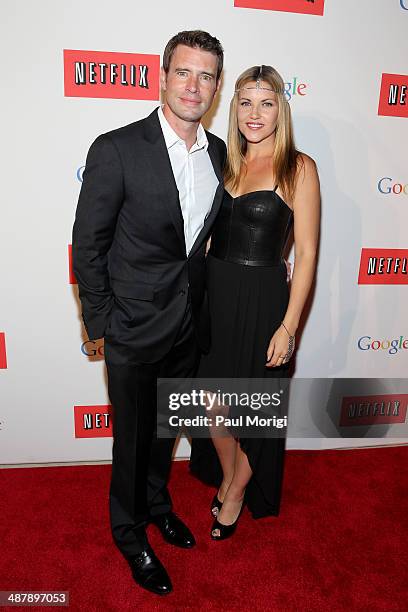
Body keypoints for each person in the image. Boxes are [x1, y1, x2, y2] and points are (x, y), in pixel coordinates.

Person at [72, 31, 226, 595]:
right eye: (184, 72)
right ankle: (129, 532)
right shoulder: (116, 148)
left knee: (166, 430)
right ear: (162, 77)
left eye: (206, 76)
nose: (194, 85)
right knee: (132, 438)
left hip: (188, 323)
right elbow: (87, 244)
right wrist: (103, 323)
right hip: (132, 327)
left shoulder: (218, 154)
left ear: (216, 86)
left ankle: (158, 504)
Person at [189, 65, 320, 539]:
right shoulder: (221, 160)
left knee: (256, 409)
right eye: (245, 101)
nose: (254, 113)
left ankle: (238, 490)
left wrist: (289, 326)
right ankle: (229, 476)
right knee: (211, 404)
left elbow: (305, 254)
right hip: (215, 298)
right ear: (234, 107)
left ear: (280, 109)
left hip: (264, 299)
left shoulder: (298, 168)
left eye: (266, 103)